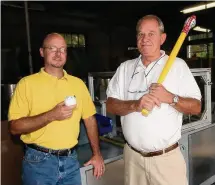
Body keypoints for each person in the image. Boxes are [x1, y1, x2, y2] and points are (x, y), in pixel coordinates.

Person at [106, 15, 201, 185]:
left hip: (166, 160)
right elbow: (111, 106)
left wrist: (171, 98)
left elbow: (196, 107)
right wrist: (136, 105)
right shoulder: (125, 68)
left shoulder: (178, 66)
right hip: (133, 158)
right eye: (141, 34)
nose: (145, 39)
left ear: (162, 38)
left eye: (151, 33)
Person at [8, 33, 105, 185]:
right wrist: (51, 115)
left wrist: (97, 154)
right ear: (42, 52)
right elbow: (14, 127)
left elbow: (90, 119)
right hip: (38, 163)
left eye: (62, 49)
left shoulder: (78, 84)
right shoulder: (27, 84)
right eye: (52, 48)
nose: (58, 54)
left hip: (71, 160)